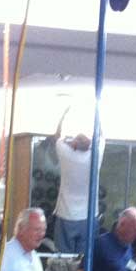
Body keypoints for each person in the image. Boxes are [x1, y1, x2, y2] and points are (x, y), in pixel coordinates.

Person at [44, 107, 102, 254]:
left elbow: (58, 136)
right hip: (89, 217)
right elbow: (101, 135)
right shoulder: (96, 154)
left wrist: (64, 113)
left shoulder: (66, 153)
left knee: (63, 258)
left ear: (74, 144)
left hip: (66, 215)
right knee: (84, 259)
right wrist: (97, 110)